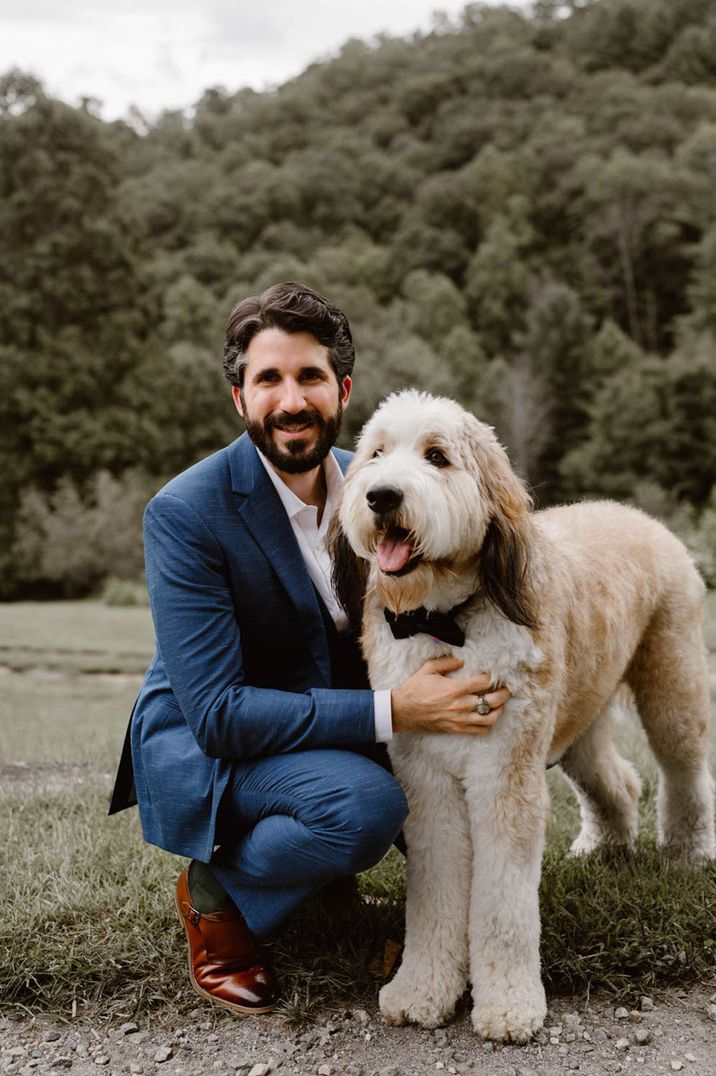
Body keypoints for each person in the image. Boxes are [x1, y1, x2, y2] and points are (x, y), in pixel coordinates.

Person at [109, 281, 509, 1015]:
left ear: (343, 388)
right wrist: (397, 711)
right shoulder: (185, 513)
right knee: (364, 808)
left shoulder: (382, 481)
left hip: (331, 710)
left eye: (310, 377)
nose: (292, 400)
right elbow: (221, 715)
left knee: (495, 736)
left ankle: (335, 886)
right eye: (269, 380)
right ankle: (220, 900)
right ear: (240, 398)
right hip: (218, 739)